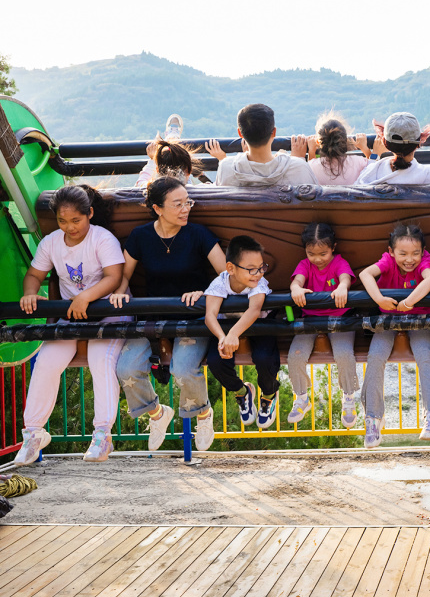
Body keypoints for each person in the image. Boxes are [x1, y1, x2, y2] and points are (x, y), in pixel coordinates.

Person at [112, 177, 227, 452]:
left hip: (193, 318)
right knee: (126, 368)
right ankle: (157, 414)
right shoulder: (141, 236)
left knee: (184, 370)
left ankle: (203, 413)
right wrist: (119, 291)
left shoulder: (199, 234)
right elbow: (124, 276)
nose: (186, 208)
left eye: (188, 202)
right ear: (158, 208)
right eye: (178, 204)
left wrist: (203, 293)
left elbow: (226, 275)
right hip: (154, 317)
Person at [14, 185, 127, 465]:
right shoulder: (52, 242)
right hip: (72, 316)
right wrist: (30, 292)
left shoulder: (102, 239)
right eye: (63, 222)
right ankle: (33, 433)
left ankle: (102, 435)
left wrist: (85, 297)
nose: (70, 227)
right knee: (46, 363)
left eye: (76, 220)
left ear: (89, 214)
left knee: (101, 361)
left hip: (107, 314)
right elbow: (34, 274)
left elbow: (114, 277)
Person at [358, 224, 430, 447]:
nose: (410, 259)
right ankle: (373, 417)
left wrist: (409, 302)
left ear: (423, 252)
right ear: (391, 252)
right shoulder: (387, 261)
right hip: (388, 320)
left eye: (415, 253)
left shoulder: (425, 262)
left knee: (425, 356)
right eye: (403, 254)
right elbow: (365, 274)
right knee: (376, 357)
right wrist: (378, 299)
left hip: (418, 319)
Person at [287, 222, 359, 427]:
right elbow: (296, 281)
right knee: (296, 354)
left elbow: (345, 277)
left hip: (340, 317)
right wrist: (296, 289)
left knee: (344, 354)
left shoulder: (338, 263)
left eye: (323, 254)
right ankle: (301, 397)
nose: (317, 259)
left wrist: (343, 287)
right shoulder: (305, 265)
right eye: (311, 254)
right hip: (310, 318)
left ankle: (348, 396)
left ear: (333, 248)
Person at [204, 236, 280, 429]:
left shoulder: (259, 283)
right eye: (251, 269)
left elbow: (254, 310)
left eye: (261, 267)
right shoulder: (219, 282)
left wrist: (233, 335)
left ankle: (269, 394)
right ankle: (242, 391)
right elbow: (210, 315)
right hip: (229, 326)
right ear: (231, 268)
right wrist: (223, 337)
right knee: (216, 360)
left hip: (260, 324)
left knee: (264, 358)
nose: (257, 274)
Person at [209, 103, 317, 187]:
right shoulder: (299, 167)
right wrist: (298, 158)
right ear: (274, 132)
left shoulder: (226, 167)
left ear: (240, 133)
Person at [355, 112, 430, 185]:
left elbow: (369, 172)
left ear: (384, 142)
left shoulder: (368, 176)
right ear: (420, 142)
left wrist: (374, 155)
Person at [306, 111, 386, 185]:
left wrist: (311, 151)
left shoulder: (312, 165)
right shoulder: (359, 162)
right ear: (345, 140)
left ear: (318, 142)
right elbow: (373, 170)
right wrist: (367, 150)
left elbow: (311, 177)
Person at [136, 139, 205, 187]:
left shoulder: (147, 190)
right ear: (189, 171)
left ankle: (172, 136)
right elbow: (215, 187)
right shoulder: (195, 191)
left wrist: (152, 160)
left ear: (157, 170)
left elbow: (141, 182)